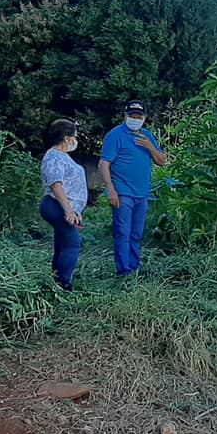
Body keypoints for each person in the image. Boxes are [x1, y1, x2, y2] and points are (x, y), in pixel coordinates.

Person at [100, 100, 168, 276]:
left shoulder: (147, 136)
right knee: (123, 231)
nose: (135, 118)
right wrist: (111, 189)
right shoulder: (115, 135)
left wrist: (150, 146)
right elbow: (104, 163)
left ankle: (134, 266)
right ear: (125, 116)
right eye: (132, 115)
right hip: (123, 192)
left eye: (139, 116)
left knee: (136, 233)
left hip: (142, 193)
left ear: (144, 117)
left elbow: (162, 161)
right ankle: (124, 271)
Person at [39, 119, 86, 291]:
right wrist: (68, 210)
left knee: (62, 242)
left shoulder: (61, 156)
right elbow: (56, 184)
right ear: (67, 138)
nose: (75, 140)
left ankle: (56, 279)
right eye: (74, 136)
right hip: (56, 205)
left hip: (62, 206)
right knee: (72, 244)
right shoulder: (54, 157)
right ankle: (63, 284)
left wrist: (75, 209)